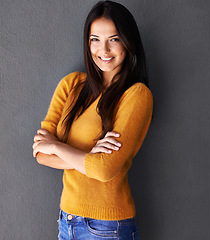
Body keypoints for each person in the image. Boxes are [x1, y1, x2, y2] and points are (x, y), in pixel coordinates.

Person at [32, 1, 152, 239]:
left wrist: (56, 146)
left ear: (128, 42)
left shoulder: (136, 95)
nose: (103, 50)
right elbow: (40, 154)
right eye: (95, 39)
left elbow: (105, 169)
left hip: (108, 227)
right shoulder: (71, 85)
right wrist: (88, 156)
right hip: (67, 221)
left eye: (114, 39)